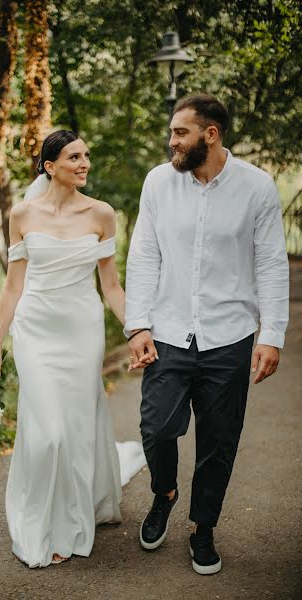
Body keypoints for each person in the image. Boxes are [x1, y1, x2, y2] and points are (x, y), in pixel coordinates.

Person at [125, 94, 289, 575]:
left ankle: (203, 528)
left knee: (219, 441)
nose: (171, 141)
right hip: (169, 330)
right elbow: (143, 255)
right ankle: (164, 494)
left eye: (180, 133)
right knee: (156, 429)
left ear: (210, 134)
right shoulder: (159, 181)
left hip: (230, 335)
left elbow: (271, 264)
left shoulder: (257, 187)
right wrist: (138, 324)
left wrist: (271, 334)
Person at [0, 130, 144, 568]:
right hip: (35, 328)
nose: (84, 163)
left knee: (73, 426)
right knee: (47, 432)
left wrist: (136, 331)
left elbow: (111, 286)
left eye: (86, 155)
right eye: (74, 157)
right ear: (50, 166)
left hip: (81, 327)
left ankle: (72, 518)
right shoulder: (22, 214)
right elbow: (12, 286)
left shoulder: (101, 214)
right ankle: (41, 521)